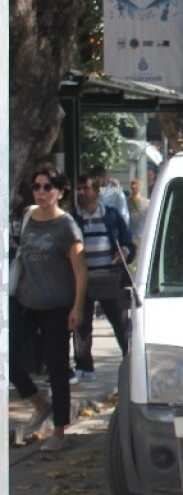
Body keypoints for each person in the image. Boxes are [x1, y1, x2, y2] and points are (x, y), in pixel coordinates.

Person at [10, 163, 87, 452]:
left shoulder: (66, 225)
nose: (41, 192)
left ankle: (59, 431)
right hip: (25, 302)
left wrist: (77, 307)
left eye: (47, 187)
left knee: (57, 367)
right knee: (8, 358)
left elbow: (80, 270)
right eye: (37, 187)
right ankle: (39, 403)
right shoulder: (29, 216)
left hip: (56, 305)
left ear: (60, 192)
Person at [70, 172, 136, 380]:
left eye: (86, 188)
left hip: (110, 277)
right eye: (78, 188)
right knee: (82, 324)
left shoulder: (111, 215)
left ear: (97, 191)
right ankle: (84, 366)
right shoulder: (72, 218)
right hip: (83, 279)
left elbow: (128, 242)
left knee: (121, 322)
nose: (81, 192)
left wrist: (124, 251)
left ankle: (132, 362)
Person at [89, 163, 131, 233]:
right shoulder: (92, 194)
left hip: (113, 234)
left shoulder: (116, 192)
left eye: (96, 179)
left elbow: (124, 216)